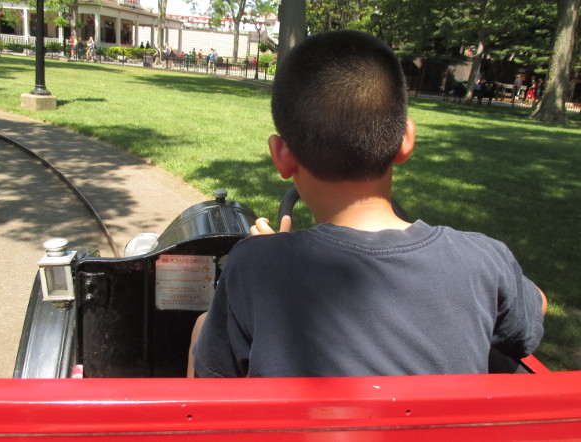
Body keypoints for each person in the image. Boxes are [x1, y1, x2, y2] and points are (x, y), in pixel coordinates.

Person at [191, 30, 547, 378]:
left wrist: (272, 253)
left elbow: (213, 392)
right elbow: (533, 312)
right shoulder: (483, 260)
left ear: (282, 157)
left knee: (201, 325)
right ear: (406, 140)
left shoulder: (254, 266)